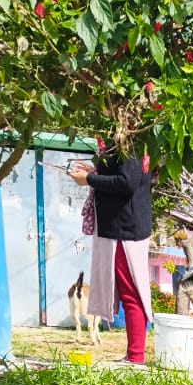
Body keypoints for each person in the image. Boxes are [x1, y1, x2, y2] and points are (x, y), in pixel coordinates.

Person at [71, 143, 153, 365]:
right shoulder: (126, 142)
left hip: (124, 230)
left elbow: (127, 182)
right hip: (121, 227)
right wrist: (94, 173)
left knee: (131, 292)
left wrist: (90, 179)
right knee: (129, 291)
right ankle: (134, 355)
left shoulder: (131, 142)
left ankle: (136, 357)